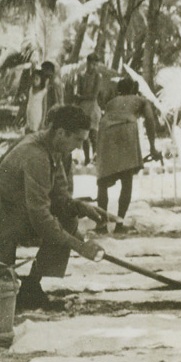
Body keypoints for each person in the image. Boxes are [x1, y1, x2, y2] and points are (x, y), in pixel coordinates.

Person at [0, 105, 108, 310]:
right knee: (3, 293)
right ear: (61, 133)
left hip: (15, 214)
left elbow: (59, 195)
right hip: (4, 221)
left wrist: (81, 207)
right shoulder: (35, 156)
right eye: (77, 140)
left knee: (68, 218)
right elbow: (40, 218)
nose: (78, 146)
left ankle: (31, 287)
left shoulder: (54, 149)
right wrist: (80, 246)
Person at [94, 76, 162, 233]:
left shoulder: (112, 102)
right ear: (134, 89)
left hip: (105, 130)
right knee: (126, 178)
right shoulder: (141, 100)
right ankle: (119, 224)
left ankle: (102, 224)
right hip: (125, 129)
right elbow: (150, 120)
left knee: (103, 180)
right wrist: (152, 147)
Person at [71, 53, 109, 165]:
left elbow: (94, 95)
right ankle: (87, 158)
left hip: (92, 106)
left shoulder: (98, 76)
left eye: (96, 65)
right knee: (84, 135)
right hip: (83, 107)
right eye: (92, 64)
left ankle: (96, 157)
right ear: (87, 63)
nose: (94, 67)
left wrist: (80, 97)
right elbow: (78, 91)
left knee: (93, 134)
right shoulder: (81, 75)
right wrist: (77, 96)